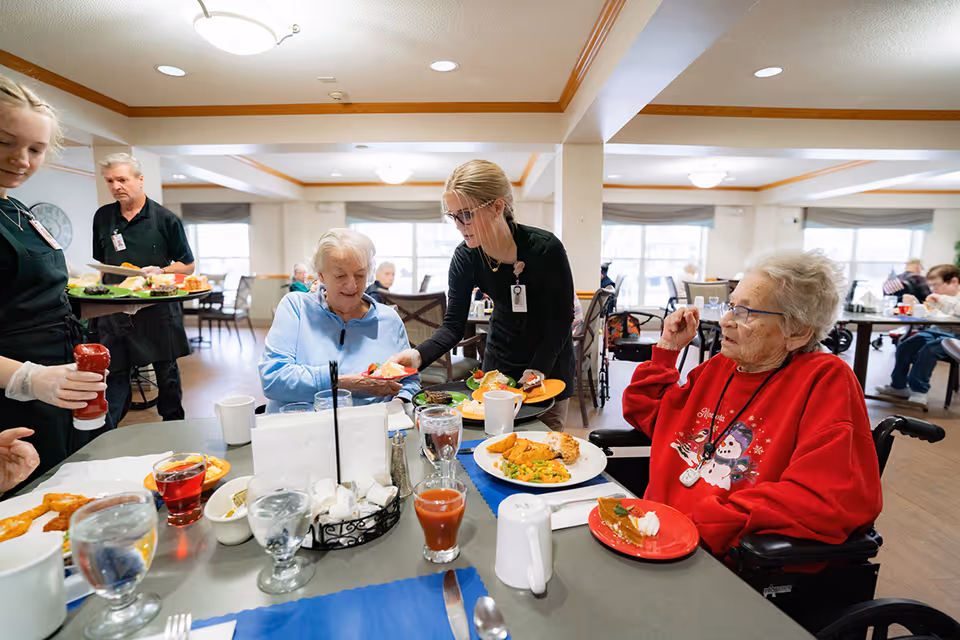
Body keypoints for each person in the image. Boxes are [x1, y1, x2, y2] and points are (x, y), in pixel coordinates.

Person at [623, 250, 882, 556]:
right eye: (732, 306)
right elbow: (649, 414)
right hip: (650, 529)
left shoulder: (824, 380)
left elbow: (825, 499)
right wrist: (667, 349)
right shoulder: (721, 366)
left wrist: (704, 522)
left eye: (746, 312)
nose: (725, 321)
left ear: (797, 331)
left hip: (718, 556)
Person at [389, 160, 575, 430]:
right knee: (494, 443)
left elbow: (561, 320)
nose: (458, 225)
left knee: (542, 445)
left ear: (497, 207)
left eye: (465, 214)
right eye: (453, 216)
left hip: (549, 366)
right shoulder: (466, 256)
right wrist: (416, 357)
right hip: (499, 365)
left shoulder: (545, 248)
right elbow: (453, 326)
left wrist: (537, 370)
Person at [0, 76, 112, 485]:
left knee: (80, 478)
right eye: (5, 142)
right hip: (17, 391)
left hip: (63, 372)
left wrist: (113, 304)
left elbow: (36, 295)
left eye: (35, 149)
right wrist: (29, 378)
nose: (21, 160)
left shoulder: (18, 210)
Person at [260, 229, 420, 412]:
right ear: (321, 275)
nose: (352, 285)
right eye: (340, 275)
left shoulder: (389, 320)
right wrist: (347, 383)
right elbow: (273, 380)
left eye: (360, 275)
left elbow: (409, 381)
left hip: (368, 427)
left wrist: (397, 403)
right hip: (300, 426)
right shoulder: (296, 307)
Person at [92, 153, 195, 426]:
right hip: (115, 312)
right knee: (114, 375)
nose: (116, 186)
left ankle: (174, 428)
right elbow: (103, 263)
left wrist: (161, 271)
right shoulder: (103, 217)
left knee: (167, 376)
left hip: (157, 311)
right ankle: (107, 432)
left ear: (139, 180)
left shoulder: (165, 219)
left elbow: (188, 265)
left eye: (122, 179)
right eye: (110, 181)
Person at [875, 263, 960, 407]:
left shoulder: (950, 297)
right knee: (906, 345)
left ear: (954, 281)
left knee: (929, 349)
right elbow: (931, 314)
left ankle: (919, 390)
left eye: (937, 285)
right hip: (936, 331)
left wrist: (940, 298)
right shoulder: (940, 296)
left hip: (956, 337)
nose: (934, 289)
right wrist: (916, 304)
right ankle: (898, 386)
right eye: (931, 286)